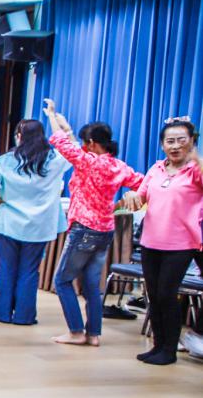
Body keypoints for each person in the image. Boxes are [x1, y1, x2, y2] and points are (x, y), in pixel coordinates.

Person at [44, 99, 143, 347]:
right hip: (105, 231)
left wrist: (52, 117)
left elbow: (62, 143)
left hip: (84, 230)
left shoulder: (88, 161)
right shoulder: (118, 166)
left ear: (90, 143)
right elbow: (143, 184)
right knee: (90, 284)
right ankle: (94, 334)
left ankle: (76, 332)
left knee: (62, 280)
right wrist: (125, 200)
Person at [120, 118, 203, 365]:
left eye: (181, 140)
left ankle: (169, 349)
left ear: (192, 142)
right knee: (154, 295)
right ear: (162, 144)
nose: (175, 146)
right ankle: (157, 346)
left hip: (182, 243)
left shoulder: (195, 170)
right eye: (170, 141)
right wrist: (131, 195)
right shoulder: (156, 169)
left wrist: (197, 158)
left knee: (167, 294)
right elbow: (141, 197)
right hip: (151, 241)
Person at [0, 119, 70, 325]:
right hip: (39, 226)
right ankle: (24, 316)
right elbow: (72, 151)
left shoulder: (6, 160)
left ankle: (2, 313)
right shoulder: (54, 160)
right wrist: (65, 128)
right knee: (29, 271)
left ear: (19, 137)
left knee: (7, 269)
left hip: (9, 223)